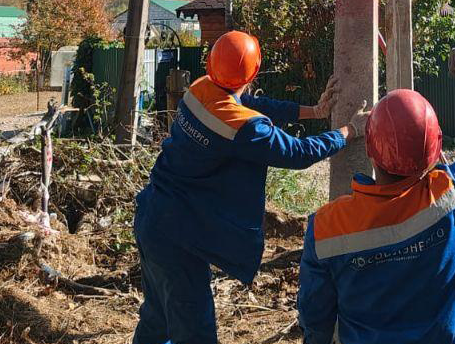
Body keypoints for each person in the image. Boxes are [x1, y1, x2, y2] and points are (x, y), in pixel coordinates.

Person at [133, 31, 361, 344]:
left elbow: (251, 102)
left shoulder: (200, 89)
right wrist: (349, 131)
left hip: (152, 215)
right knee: (193, 330)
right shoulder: (245, 128)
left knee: (157, 316)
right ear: (253, 73)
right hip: (179, 235)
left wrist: (313, 111)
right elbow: (298, 153)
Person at [296, 45, 455, 344]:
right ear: (437, 150)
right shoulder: (454, 195)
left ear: (371, 148)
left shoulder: (326, 228)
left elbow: (316, 317)